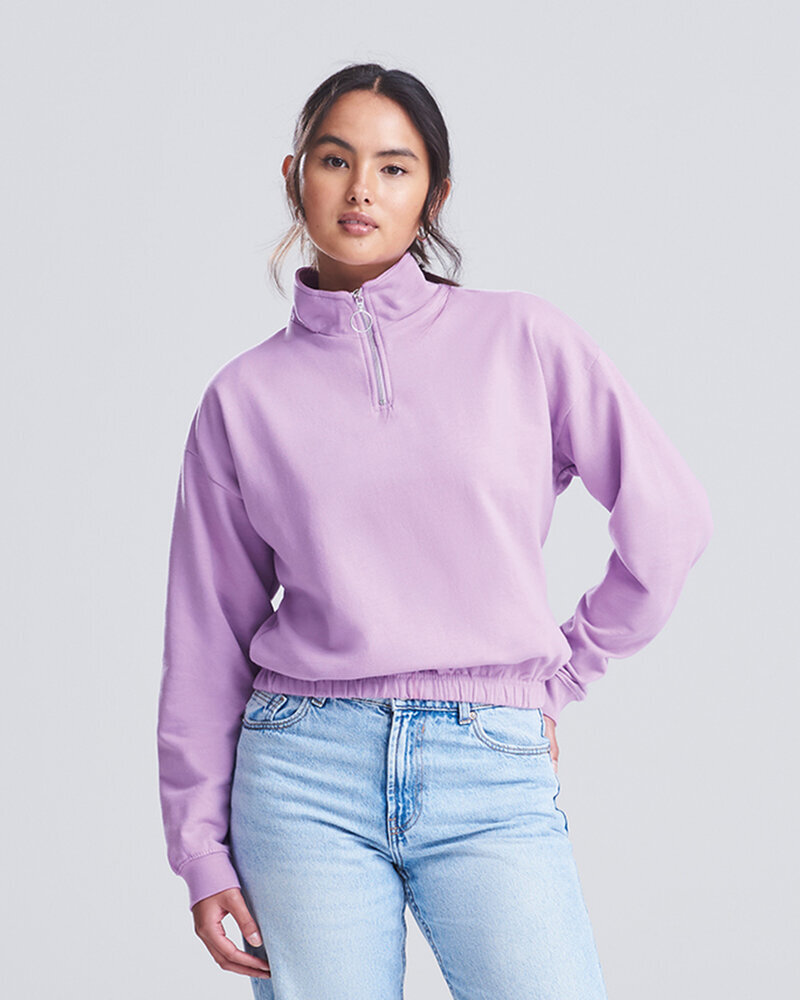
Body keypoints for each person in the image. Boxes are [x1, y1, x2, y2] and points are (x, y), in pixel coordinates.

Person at [156, 62, 713, 1000]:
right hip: (300, 776)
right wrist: (198, 850)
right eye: (335, 160)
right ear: (294, 176)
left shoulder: (522, 340)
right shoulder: (242, 397)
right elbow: (205, 633)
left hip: (486, 765)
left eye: (393, 167)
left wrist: (562, 675)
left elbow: (669, 522)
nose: (361, 189)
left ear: (434, 194)